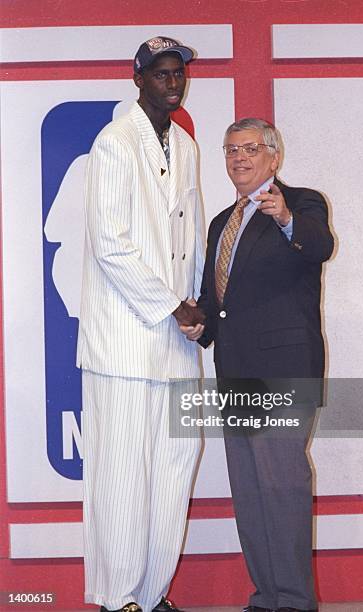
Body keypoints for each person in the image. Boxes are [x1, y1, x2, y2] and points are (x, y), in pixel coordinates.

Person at [77, 36, 205, 612]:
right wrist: (173, 306)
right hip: (125, 340)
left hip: (177, 345)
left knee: (174, 471)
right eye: (161, 74)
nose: (172, 83)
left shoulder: (186, 144)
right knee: (123, 473)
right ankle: (118, 597)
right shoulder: (113, 143)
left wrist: (200, 305)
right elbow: (110, 243)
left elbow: (194, 237)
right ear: (138, 80)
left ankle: (152, 597)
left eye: (178, 73)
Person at [185, 118, 334, 612]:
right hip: (236, 371)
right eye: (230, 150)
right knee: (250, 494)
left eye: (250, 149)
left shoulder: (302, 202)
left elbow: (318, 244)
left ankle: (293, 602)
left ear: (274, 156)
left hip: (284, 370)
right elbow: (215, 299)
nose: (239, 158)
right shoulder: (220, 223)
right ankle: (265, 598)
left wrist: (286, 217)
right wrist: (198, 325)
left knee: (282, 486)